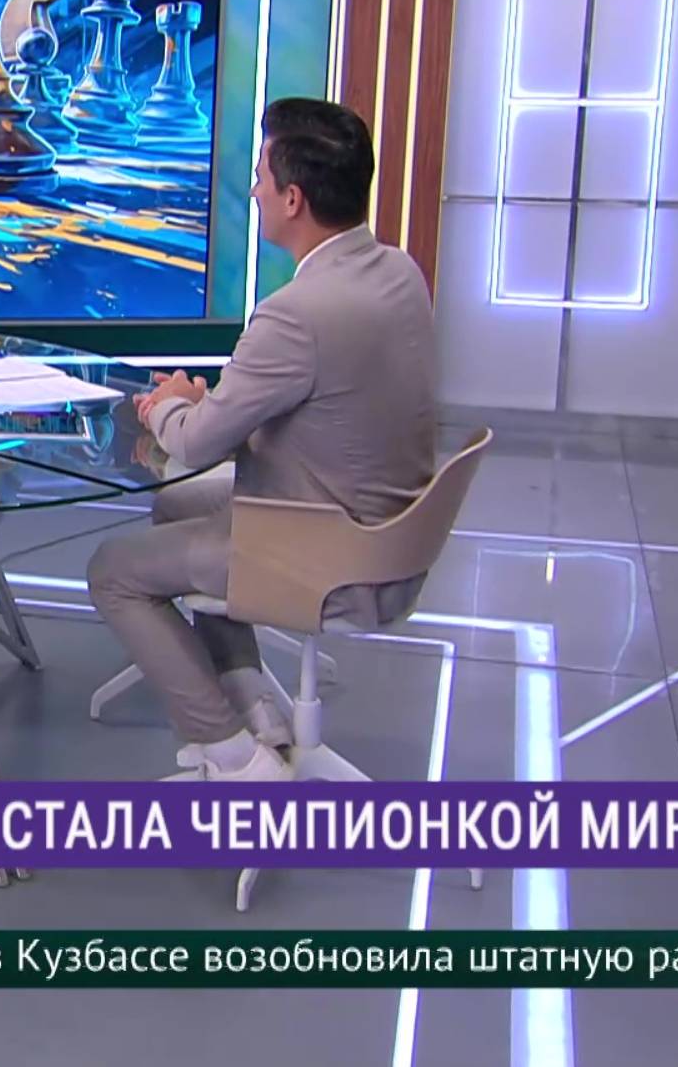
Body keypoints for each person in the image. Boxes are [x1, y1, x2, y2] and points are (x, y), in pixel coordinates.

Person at [88, 98, 436, 783]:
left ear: (293, 198)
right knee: (177, 506)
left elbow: (193, 446)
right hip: (386, 529)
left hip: (329, 553)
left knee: (113, 569)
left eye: (259, 177)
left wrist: (167, 406)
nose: (253, 192)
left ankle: (236, 760)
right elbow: (313, 399)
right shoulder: (399, 271)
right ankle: (254, 705)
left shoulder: (296, 314)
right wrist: (209, 405)